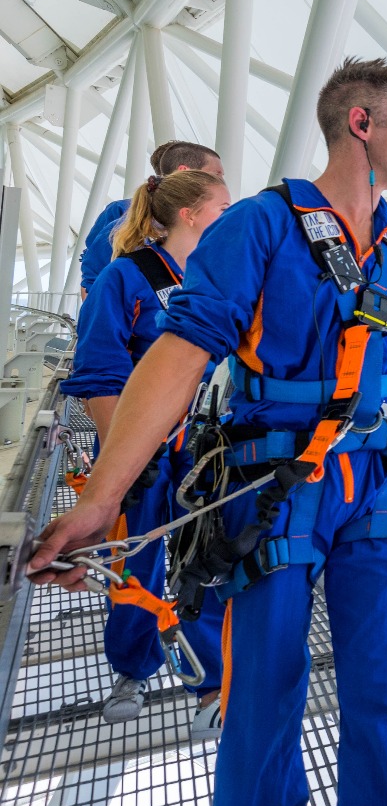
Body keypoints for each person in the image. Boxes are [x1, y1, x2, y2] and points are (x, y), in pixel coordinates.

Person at [30, 57, 387, 806]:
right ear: (362, 125)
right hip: (271, 488)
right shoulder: (260, 226)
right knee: (263, 687)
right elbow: (181, 352)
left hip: (379, 484)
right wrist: (100, 499)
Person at [61, 169, 231, 732]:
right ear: (190, 214)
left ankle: (212, 683)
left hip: (203, 447)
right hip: (144, 450)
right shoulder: (125, 278)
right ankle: (133, 667)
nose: (232, 216)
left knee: (205, 554)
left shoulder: (218, 278)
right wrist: (125, 459)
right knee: (136, 557)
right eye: (222, 205)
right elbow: (100, 374)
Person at [79, 140, 224, 299]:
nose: (221, 181)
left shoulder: (206, 229)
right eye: (217, 174)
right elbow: (92, 280)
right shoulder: (123, 218)